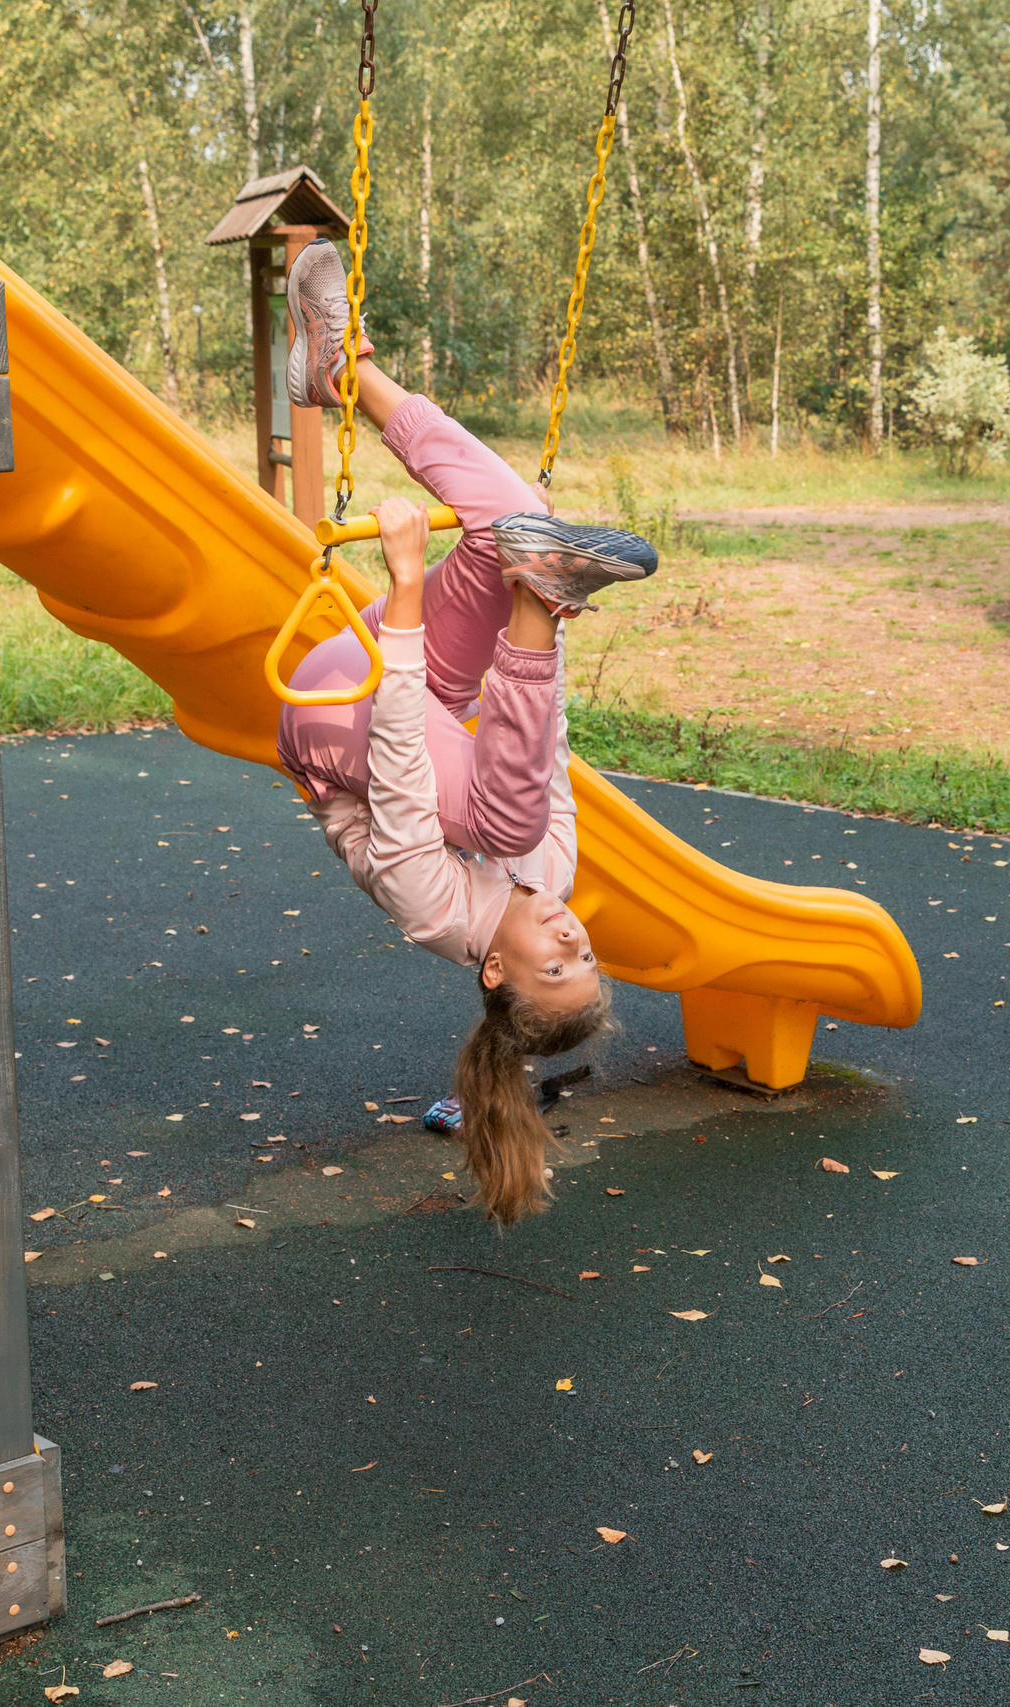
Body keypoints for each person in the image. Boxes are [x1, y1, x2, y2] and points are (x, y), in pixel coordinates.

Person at [274, 239, 657, 1225]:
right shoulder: (551, 875)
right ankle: (341, 369)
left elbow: (403, 755)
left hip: (337, 710)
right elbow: (546, 739)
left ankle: (540, 590)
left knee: (503, 815)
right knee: (510, 515)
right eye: (587, 958)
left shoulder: (431, 907)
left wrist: (408, 586)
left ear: (495, 972)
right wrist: (544, 637)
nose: (572, 937)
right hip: (417, 693)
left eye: (555, 965)